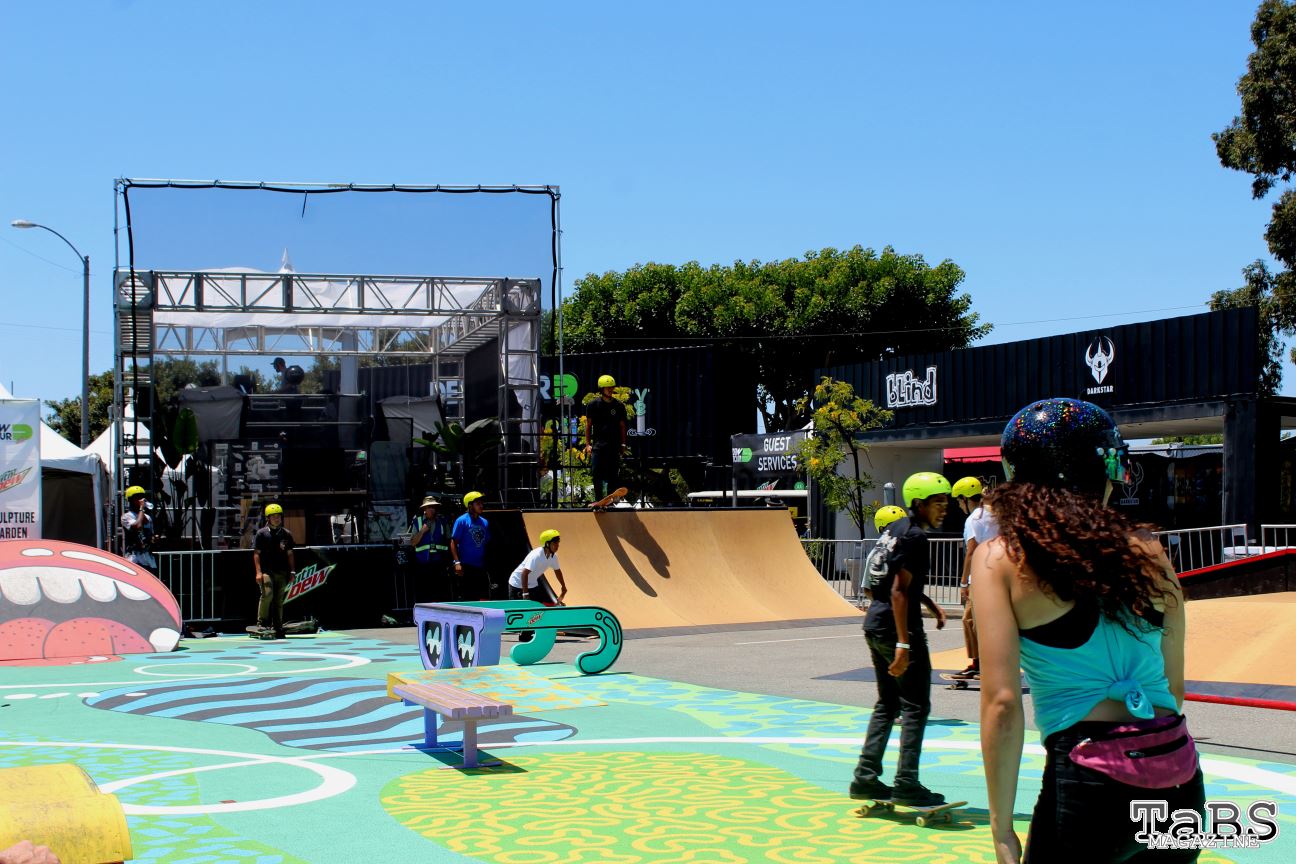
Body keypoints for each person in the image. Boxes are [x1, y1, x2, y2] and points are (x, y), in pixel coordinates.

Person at [973, 398, 1204, 864]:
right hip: (1177, 771)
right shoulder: (1149, 550)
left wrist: (1001, 827)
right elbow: (1173, 688)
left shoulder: (1001, 558)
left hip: (1090, 779)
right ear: (1107, 470)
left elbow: (1002, 703)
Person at [850, 472, 951, 806]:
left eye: (946, 502)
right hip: (897, 629)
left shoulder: (895, 529)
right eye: (938, 503)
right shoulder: (916, 537)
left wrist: (930, 604)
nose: (944, 509)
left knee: (887, 703)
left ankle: (865, 778)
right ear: (919, 503)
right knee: (916, 705)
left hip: (875, 623)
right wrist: (904, 644)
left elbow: (890, 579)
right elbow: (898, 590)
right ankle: (907, 782)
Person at [949, 476, 996, 681]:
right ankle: (979, 664)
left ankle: (982, 665)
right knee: (973, 621)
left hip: (979, 577)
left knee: (974, 621)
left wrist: (963, 582)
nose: (959, 506)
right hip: (994, 575)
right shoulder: (992, 514)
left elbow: (971, 550)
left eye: (959, 501)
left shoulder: (974, 519)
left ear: (966, 498)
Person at [253, 502, 297, 639]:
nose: (277, 519)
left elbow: (290, 554)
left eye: (279, 516)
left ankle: (278, 625)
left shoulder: (286, 534)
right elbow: (256, 554)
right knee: (268, 594)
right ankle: (262, 623)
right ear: (268, 518)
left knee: (279, 599)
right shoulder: (261, 533)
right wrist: (258, 572)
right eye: (273, 516)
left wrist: (292, 571)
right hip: (266, 571)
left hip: (282, 571)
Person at [583, 374, 627, 501]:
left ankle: (610, 501)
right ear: (601, 389)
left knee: (613, 475)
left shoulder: (619, 406)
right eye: (608, 388)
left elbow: (622, 426)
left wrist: (623, 444)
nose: (611, 390)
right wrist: (587, 444)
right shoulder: (593, 405)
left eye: (612, 387)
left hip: (614, 446)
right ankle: (599, 500)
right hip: (598, 447)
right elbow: (588, 425)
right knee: (597, 474)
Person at [450, 491, 493, 600]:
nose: (481, 506)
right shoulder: (461, 521)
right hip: (466, 566)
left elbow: (486, 542)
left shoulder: (485, 522)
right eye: (478, 503)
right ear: (470, 505)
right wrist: (457, 562)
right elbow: (453, 542)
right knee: (468, 598)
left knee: (483, 598)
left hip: (481, 566)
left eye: (481, 503)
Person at [408, 495, 451, 601]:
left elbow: (450, 540)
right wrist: (422, 531)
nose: (432, 509)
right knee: (424, 594)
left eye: (433, 507)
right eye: (429, 507)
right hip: (423, 563)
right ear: (424, 509)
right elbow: (413, 543)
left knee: (440, 594)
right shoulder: (417, 521)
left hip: (440, 563)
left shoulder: (443, 521)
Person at [509, 529, 568, 602]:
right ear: (547, 544)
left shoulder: (553, 557)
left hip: (532, 585)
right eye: (555, 543)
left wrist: (563, 586)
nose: (557, 545)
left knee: (537, 607)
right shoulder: (536, 555)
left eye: (558, 542)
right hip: (517, 583)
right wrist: (525, 594)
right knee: (520, 608)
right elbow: (524, 573)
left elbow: (557, 571)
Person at [120, 485, 157, 573]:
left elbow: (150, 533)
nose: (140, 500)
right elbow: (138, 526)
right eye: (137, 497)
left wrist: (153, 538)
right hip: (134, 559)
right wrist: (141, 508)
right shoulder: (126, 516)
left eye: (141, 497)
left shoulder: (147, 517)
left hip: (148, 559)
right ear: (131, 500)